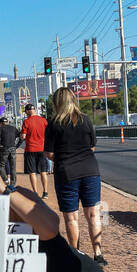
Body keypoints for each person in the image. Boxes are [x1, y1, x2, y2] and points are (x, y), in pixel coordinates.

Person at [44, 86, 103, 257]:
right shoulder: (86, 120)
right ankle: (98, 252)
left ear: (57, 103)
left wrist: (62, 157)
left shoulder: (54, 124)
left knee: (71, 217)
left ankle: (77, 254)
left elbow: (48, 153)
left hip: (66, 173)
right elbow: (92, 146)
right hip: (90, 170)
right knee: (93, 214)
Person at [21, 103, 49, 197]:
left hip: (30, 149)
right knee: (43, 171)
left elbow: (23, 136)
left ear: (28, 111)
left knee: (32, 172)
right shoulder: (44, 120)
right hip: (42, 149)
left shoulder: (26, 122)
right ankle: (45, 192)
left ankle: (35, 193)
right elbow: (48, 133)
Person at [0, 113, 19, 188]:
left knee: (1, 166)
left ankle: (6, 180)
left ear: (1, 123)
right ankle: (12, 184)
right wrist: (17, 146)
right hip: (13, 148)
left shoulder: (1, 128)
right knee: (13, 167)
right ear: (7, 122)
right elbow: (21, 137)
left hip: (4, 148)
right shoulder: (13, 128)